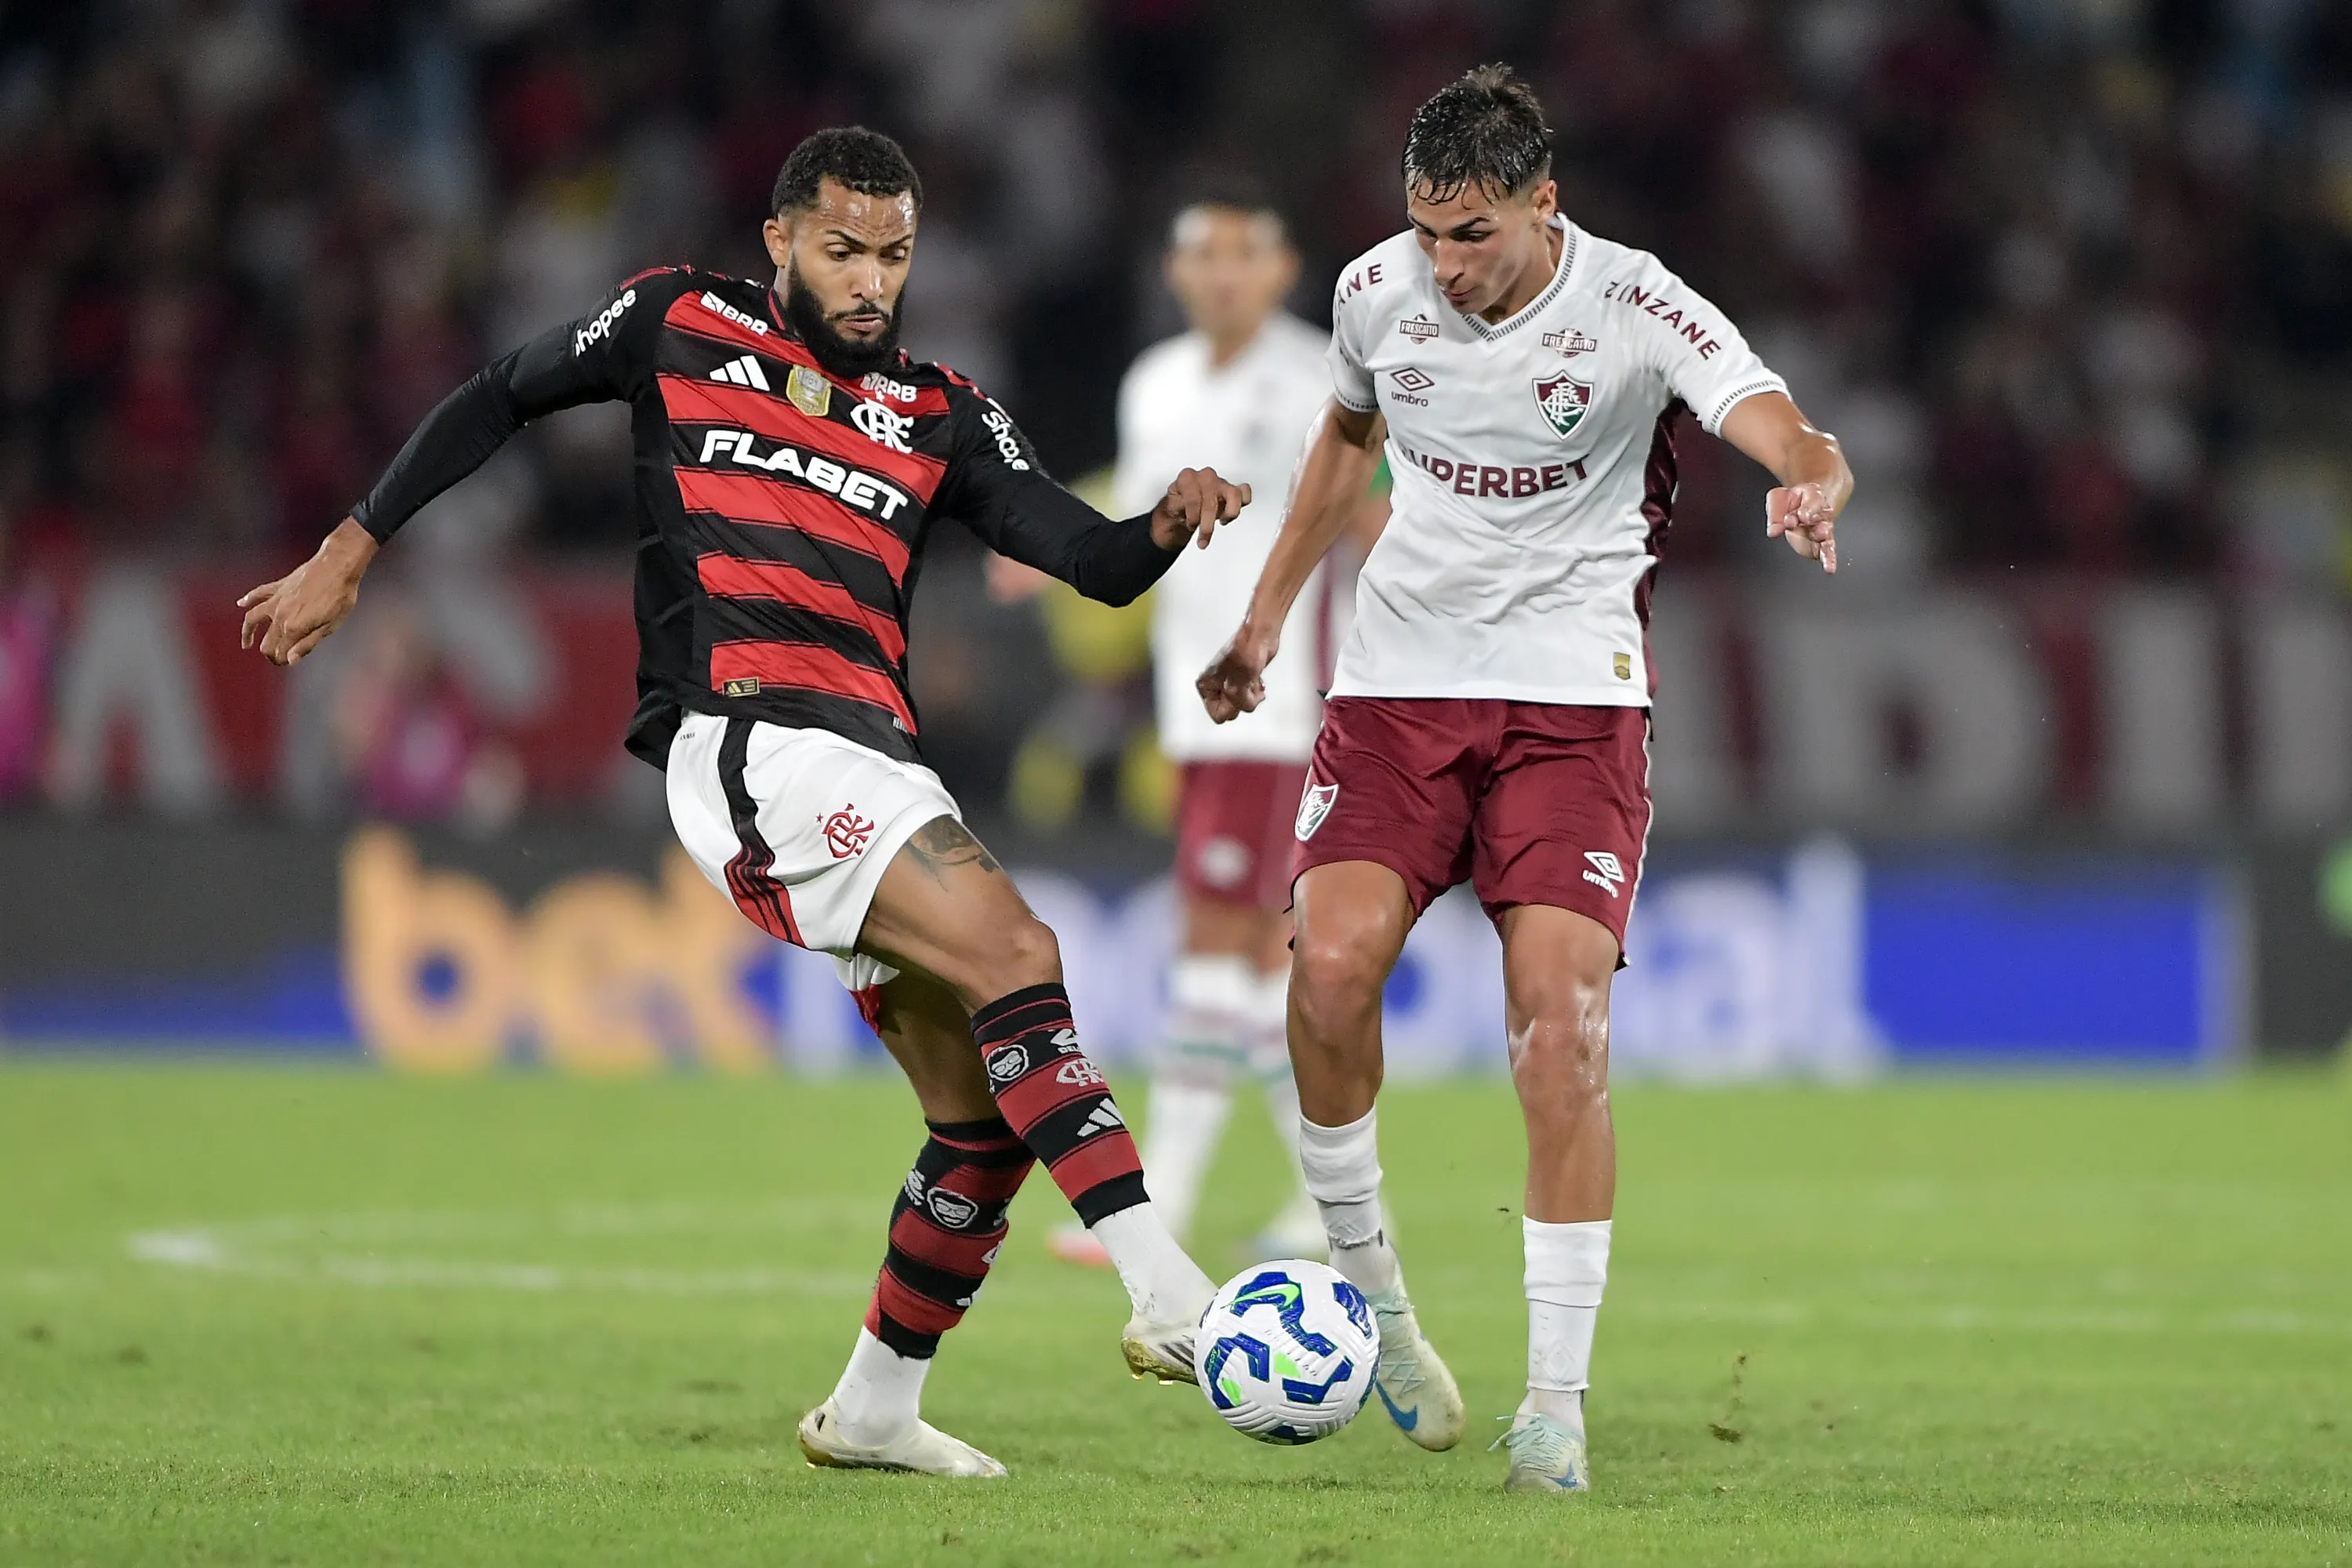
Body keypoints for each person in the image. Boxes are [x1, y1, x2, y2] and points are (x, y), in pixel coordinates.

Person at [238, 127, 1252, 1480]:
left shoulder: (942, 409)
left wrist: (1167, 525)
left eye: (894, 255)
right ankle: (1168, 1292)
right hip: (750, 739)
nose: (872, 281)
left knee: (978, 1115)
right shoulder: (677, 320)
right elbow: (500, 392)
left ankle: (874, 1412)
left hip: (878, 760)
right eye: (843, 251)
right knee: (1022, 951)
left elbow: (1084, 555)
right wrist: (353, 543)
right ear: (780, 239)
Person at [1199, 67, 1852, 1494]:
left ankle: (1554, 1406)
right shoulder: (1380, 294)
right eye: (1428, 231)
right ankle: (1379, 1314)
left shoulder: (1638, 302)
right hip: (1395, 694)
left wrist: (1805, 479)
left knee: (1560, 1033)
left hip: (1574, 710)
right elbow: (1347, 444)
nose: (1446, 263)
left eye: (1474, 233)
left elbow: (1775, 416)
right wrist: (1262, 617)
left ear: (1545, 206)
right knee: (1326, 975)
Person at [1041, 187, 1363, 1272]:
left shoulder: (1324, 373)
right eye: (1204, 255)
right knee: (1264, 968)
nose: (1224, 273)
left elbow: (1371, 509)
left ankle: (1163, 1198)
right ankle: (1338, 1204)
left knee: (1218, 946)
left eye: (1246, 253)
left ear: (1281, 271)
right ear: (1176, 274)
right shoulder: (1156, 382)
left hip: (1278, 703)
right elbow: (1139, 517)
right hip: (1193, 703)